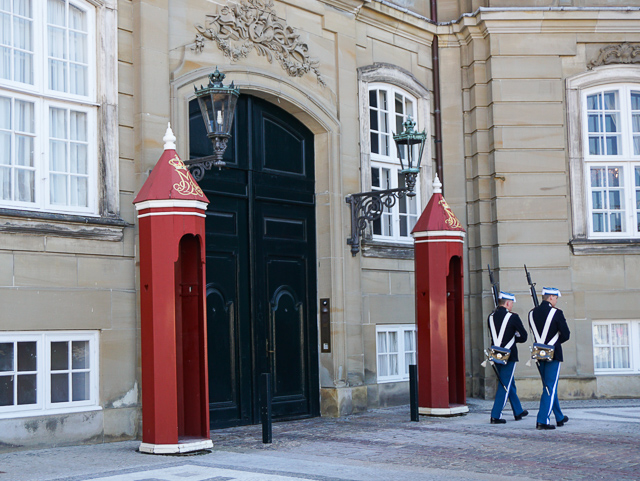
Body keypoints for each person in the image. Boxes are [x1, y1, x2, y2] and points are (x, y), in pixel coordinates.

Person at [529, 287, 571, 430]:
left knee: (548, 386)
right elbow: (566, 334)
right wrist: (554, 342)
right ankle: (542, 420)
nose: (556, 300)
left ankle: (559, 417)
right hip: (553, 353)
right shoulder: (557, 313)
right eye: (556, 298)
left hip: (539, 353)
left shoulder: (531, 313)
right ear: (551, 297)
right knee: (550, 388)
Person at [488, 291, 529, 424]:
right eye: (511, 303)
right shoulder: (513, 317)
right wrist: (514, 335)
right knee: (504, 385)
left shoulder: (491, 316)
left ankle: (518, 411)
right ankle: (496, 415)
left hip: (495, 354)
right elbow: (523, 336)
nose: (512, 306)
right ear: (507, 303)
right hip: (509, 355)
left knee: (509, 382)